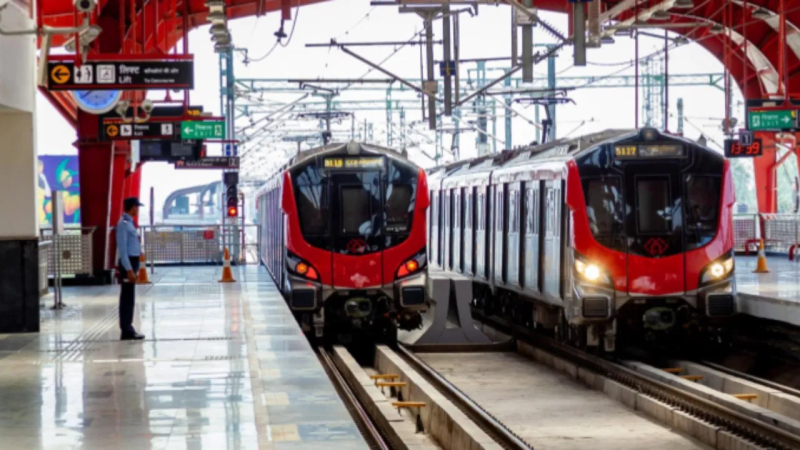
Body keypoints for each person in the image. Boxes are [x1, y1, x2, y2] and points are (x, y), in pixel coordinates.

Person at [117, 197, 145, 340]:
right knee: (127, 298)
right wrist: (129, 270)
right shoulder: (123, 224)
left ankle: (128, 328)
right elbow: (122, 250)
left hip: (133, 262)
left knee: (130, 297)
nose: (137, 209)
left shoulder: (130, 223)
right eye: (136, 207)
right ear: (132, 207)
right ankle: (126, 330)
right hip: (128, 263)